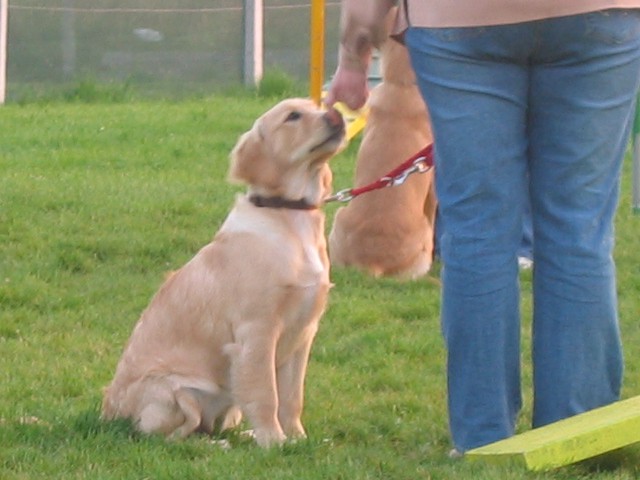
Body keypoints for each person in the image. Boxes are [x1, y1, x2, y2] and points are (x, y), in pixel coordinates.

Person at [326, 1, 640, 455]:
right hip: (598, 17)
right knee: (579, 229)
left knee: (477, 231)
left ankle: (482, 441)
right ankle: (581, 432)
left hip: (460, 23)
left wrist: (355, 56)